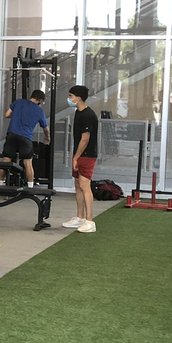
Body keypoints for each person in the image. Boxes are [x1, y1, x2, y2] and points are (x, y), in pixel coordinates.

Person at [62, 85, 99, 234]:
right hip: (79, 155)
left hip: (87, 155)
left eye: (71, 96)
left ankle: (90, 221)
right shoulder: (78, 112)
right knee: (78, 185)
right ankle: (80, 217)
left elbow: (85, 139)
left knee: (85, 186)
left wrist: (76, 157)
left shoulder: (88, 115)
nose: (69, 99)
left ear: (78, 98)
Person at [3, 89, 49, 186]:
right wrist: (47, 137)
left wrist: (17, 116)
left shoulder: (18, 102)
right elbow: (45, 128)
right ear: (39, 100)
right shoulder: (39, 111)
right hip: (26, 138)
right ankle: (31, 186)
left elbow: (6, 114)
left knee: (6, 160)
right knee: (28, 162)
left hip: (12, 135)